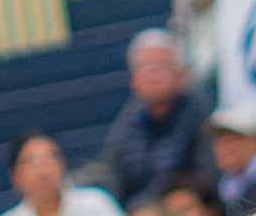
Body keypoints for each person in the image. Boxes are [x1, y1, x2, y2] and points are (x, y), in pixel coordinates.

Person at [86, 29, 214, 204]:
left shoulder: (201, 110)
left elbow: (206, 176)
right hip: (136, 211)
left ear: (182, 74)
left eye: (162, 65)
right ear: (133, 80)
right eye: (144, 67)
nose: (152, 74)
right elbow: (111, 169)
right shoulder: (130, 118)